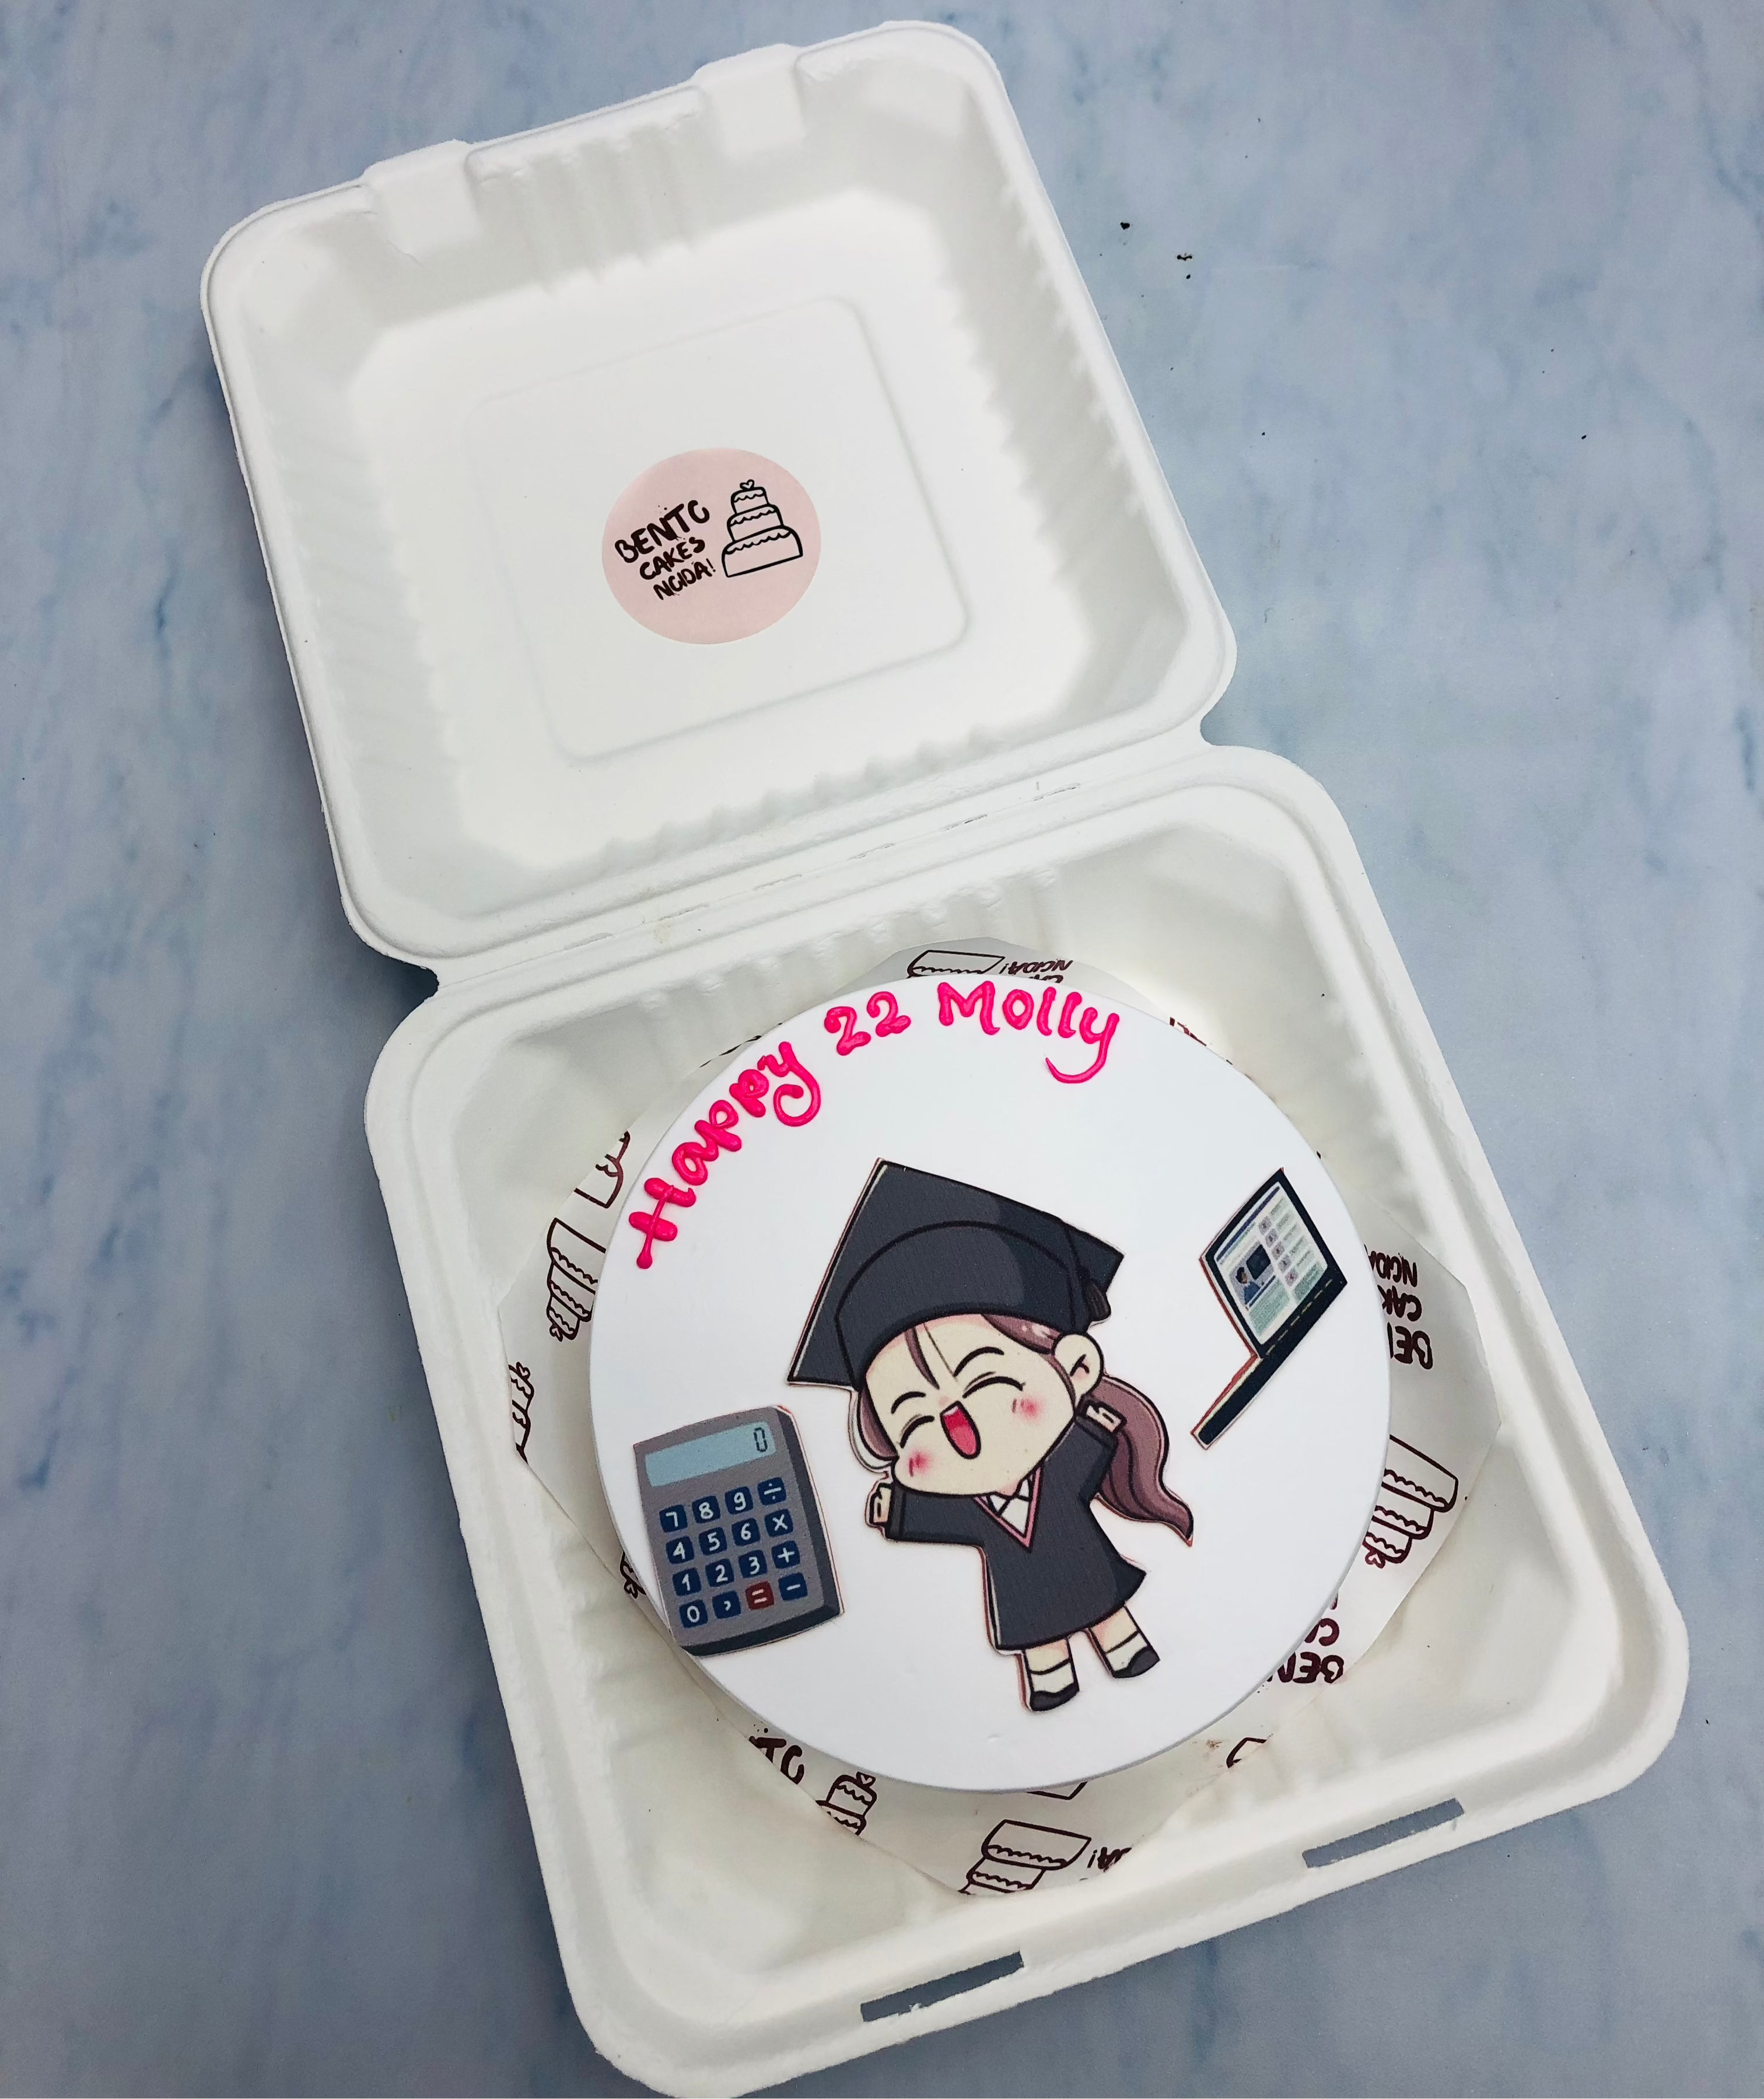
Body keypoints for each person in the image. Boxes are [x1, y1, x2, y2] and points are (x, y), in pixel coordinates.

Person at [790, 1163, 1194, 1713]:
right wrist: (897, 1512)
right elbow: (939, 1519)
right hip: (1023, 1595)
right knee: (1040, 1638)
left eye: (985, 1381)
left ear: (1075, 1368)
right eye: (913, 1422)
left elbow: (1088, 1455)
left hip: (1085, 1568)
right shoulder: (971, 1510)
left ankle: (1122, 1645)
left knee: (1105, 1606)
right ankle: (1050, 1676)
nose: (959, 1429)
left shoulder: (1063, 1464)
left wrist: (1099, 1427)